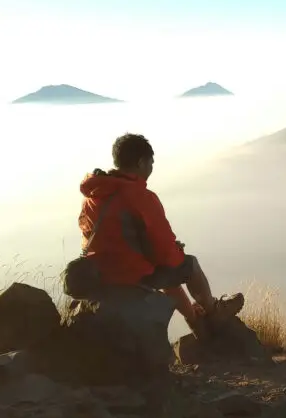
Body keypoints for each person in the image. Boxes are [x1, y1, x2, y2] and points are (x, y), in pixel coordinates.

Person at [78, 133, 244, 339]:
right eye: (151, 163)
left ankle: (196, 321)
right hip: (128, 275)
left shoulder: (94, 196)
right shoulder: (141, 197)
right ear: (140, 162)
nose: (151, 168)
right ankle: (213, 311)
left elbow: (98, 234)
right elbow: (167, 255)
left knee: (161, 270)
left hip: (100, 273)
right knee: (189, 265)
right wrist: (176, 250)